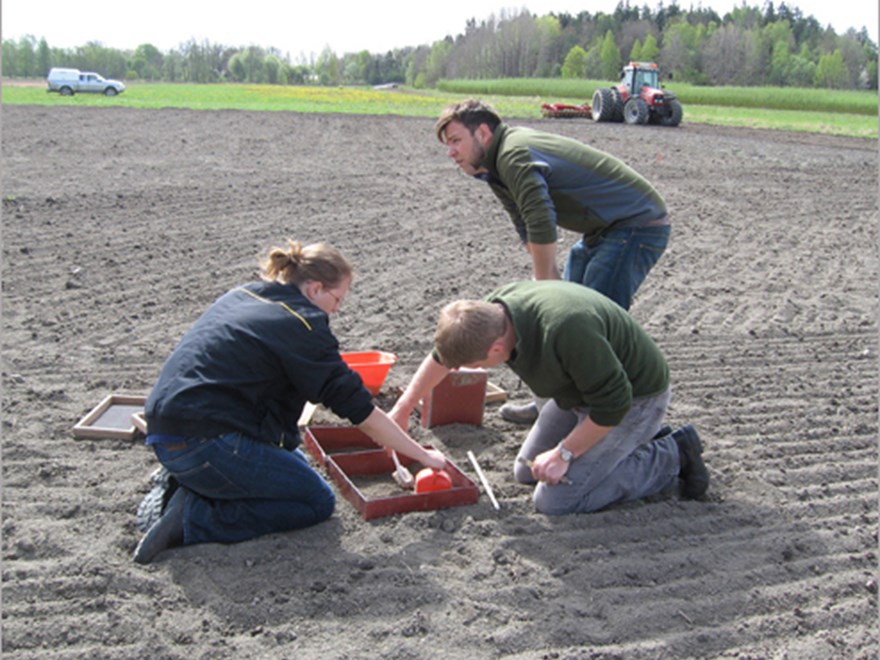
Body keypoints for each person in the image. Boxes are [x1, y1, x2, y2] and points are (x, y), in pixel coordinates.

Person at [134, 239, 447, 564]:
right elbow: (359, 410)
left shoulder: (244, 294)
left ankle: (187, 479)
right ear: (314, 289)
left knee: (293, 459)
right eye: (337, 298)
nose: (337, 308)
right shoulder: (302, 324)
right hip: (202, 442)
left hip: (169, 428)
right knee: (314, 501)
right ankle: (190, 520)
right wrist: (423, 455)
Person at [435, 99, 671, 424]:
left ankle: (614, 414)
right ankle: (554, 407)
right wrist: (547, 280)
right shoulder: (493, 168)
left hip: (635, 225)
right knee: (558, 314)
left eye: (456, 141)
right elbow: (523, 222)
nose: (451, 152)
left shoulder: (513, 154)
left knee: (586, 323)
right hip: (602, 231)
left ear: (484, 133)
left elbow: (540, 218)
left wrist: (544, 285)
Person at [389, 280, 708, 515]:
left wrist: (564, 454)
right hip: (576, 392)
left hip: (633, 399)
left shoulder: (566, 329)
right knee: (526, 471)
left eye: (473, 365)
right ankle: (621, 448)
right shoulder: (487, 317)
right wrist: (403, 408)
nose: (464, 369)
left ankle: (672, 454)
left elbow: (614, 403)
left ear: (497, 350)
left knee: (557, 501)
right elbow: (441, 357)